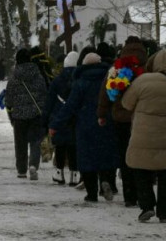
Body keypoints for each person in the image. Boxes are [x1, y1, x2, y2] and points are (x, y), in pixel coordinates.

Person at [120, 49, 166, 222]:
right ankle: (165, 213)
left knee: (141, 169)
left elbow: (127, 103)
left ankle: (147, 205)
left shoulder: (142, 81)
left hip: (145, 135)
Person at [50, 52, 117, 202]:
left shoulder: (80, 83)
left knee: (87, 159)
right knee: (104, 155)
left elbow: (70, 106)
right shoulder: (109, 80)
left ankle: (91, 194)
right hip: (105, 122)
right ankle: (105, 181)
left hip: (85, 125)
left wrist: (56, 124)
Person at [98, 36, 147, 207]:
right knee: (142, 157)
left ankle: (129, 195)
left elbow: (105, 92)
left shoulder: (117, 68)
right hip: (141, 117)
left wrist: (102, 114)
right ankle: (143, 193)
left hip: (120, 118)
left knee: (126, 156)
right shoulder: (147, 67)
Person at [6, 48, 47, 180]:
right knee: (35, 142)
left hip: (19, 116)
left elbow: (9, 99)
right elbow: (44, 94)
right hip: (36, 115)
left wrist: (11, 115)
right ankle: (33, 165)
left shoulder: (14, 77)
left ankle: (21, 170)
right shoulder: (38, 75)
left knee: (20, 144)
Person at [44, 51, 79, 186]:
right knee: (73, 146)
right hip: (75, 118)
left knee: (60, 146)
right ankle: (74, 174)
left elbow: (49, 101)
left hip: (58, 117)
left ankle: (59, 172)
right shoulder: (79, 80)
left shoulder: (57, 81)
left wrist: (46, 119)